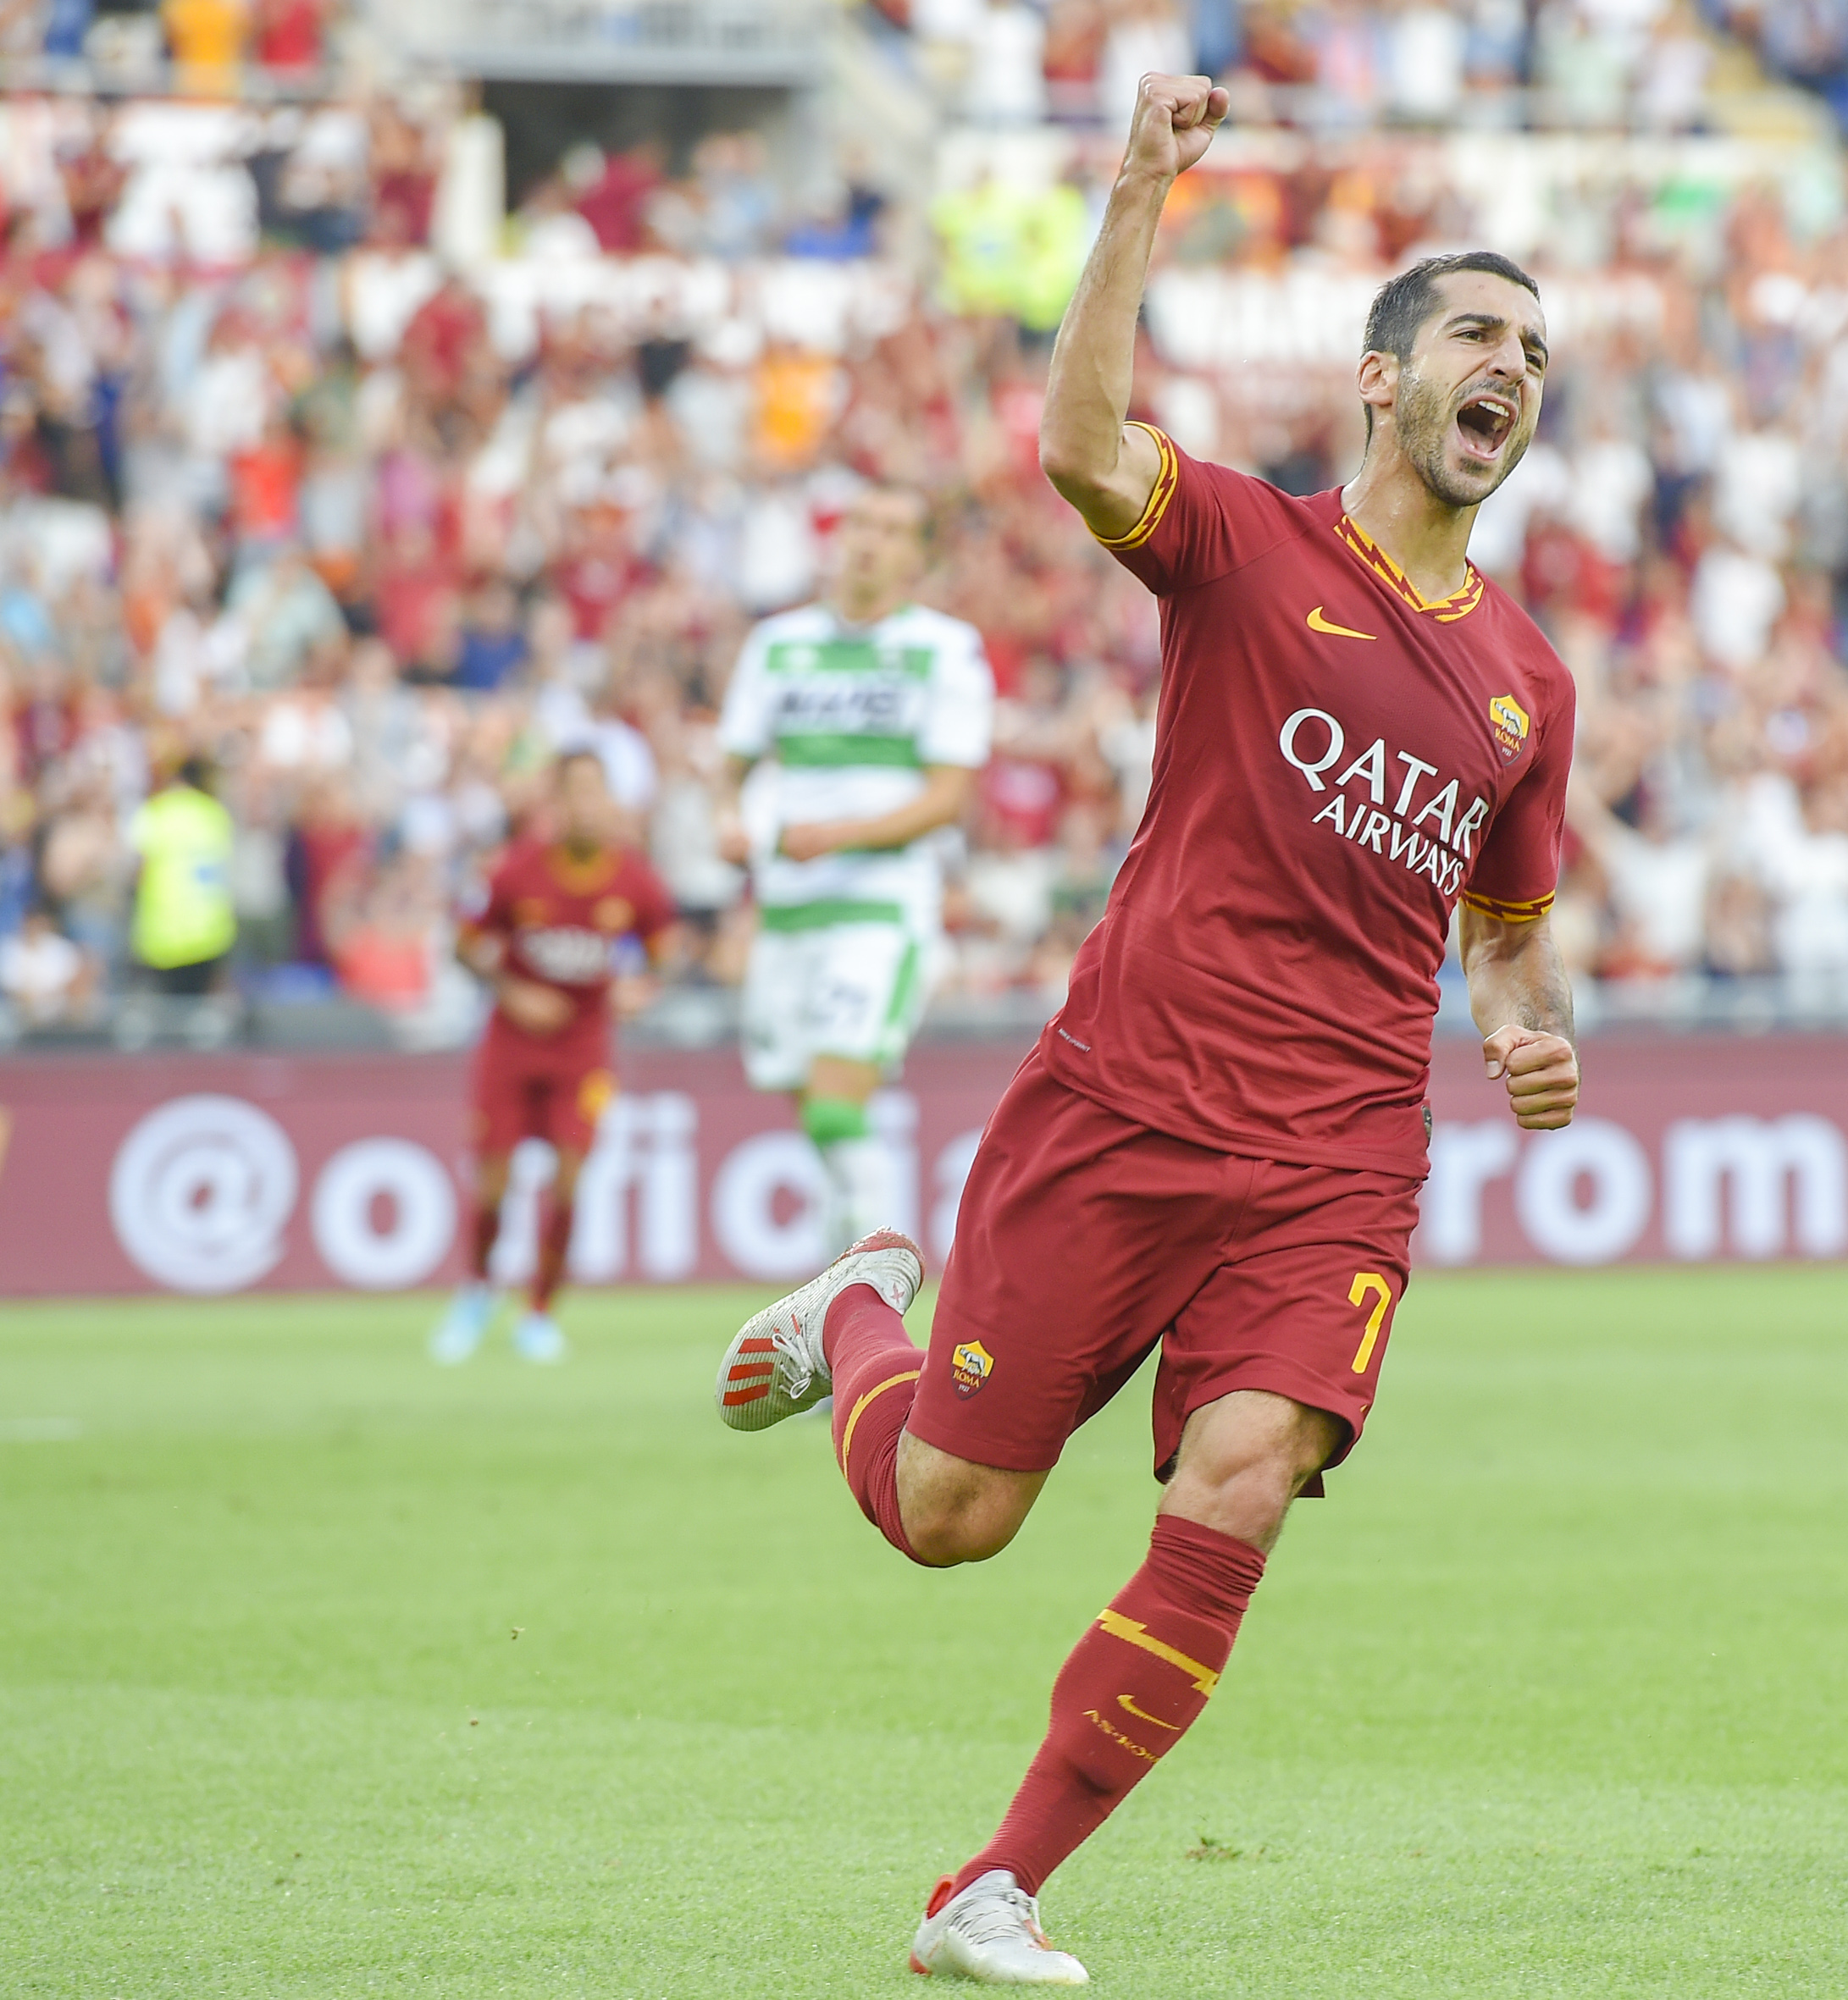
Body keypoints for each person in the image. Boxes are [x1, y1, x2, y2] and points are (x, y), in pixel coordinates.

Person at [709, 73, 1580, 1986]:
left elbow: (1510, 941)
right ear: (1381, 377)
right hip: (1128, 1103)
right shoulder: (1250, 553)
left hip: (1339, 1160)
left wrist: (1532, 1032)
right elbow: (1081, 441)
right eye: (1475, 333)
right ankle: (860, 1304)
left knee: (1246, 1477)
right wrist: (1135, 192)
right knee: (950, 1513)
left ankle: (989, 1887)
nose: (1511, 365)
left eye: (1534, 348)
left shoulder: (1527, 685)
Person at [717, 485, 995, 1254]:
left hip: (879, 906)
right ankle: (847, 1260)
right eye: (860, 525)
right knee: (806, 1100)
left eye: (892, 529)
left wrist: (838, 837)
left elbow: (946, 799)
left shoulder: (944, 649)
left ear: (916, 557)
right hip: (786, 907)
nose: (869, 541)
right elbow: (731, 769)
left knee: (839, 1106)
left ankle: (867, 1280)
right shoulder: (775, 644)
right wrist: (727, 823)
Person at [434, 753, 683, 1365]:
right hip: (511, 1043)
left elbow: (664, 948)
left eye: (595, 793)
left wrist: (641, 988)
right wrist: (513, 992)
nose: (585, 807)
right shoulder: (517, 871)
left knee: (570, 1180)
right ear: (555, 802)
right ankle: (478, 1289)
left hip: (584, 1049)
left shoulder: (632, 878)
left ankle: (539, 1313)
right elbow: (465, 944)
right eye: (573, 794)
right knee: (493, 1185)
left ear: (609, 802)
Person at [125, 756, 237, 997]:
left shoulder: (155, 812)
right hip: (208, 933)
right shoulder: (214, 812)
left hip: (163, 935)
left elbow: (137, 869)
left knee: (170, 1017)